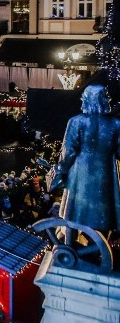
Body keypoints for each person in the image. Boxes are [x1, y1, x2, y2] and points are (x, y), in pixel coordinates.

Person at [51, 84, 120, 235]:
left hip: (80, 174)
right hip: (105, 172)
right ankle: (100, 246)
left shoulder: (76, 122)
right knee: (103, 214)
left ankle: (71, 239)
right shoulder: (116, 124)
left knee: (75, 212)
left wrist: (60, 169)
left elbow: (68, 152)